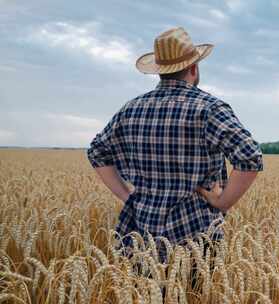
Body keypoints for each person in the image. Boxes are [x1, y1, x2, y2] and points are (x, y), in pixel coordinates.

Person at [86, 27, 263, 289]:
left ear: (159, 70)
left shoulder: (132, 108)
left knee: (147, 295)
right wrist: (223, 202)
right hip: (196, 237)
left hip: (142, 234)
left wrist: (128, 196)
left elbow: (97, 152)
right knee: (193, 295)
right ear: (193, 68)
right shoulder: (209, 109)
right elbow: (250, 157)